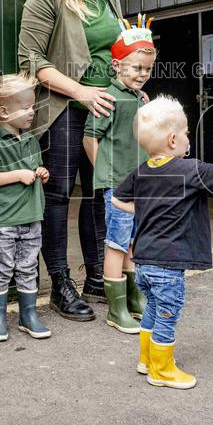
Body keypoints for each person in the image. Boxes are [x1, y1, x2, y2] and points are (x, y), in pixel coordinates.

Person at [18, 0, 125, 321]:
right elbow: (31, 61)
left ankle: (97, 275)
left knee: (102, 191)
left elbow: (114, 46)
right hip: (64, 107)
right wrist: (81, 91)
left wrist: (131, 81)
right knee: (59, 196)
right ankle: (60, 283)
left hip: (107, 106)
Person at [112, 96, 213, 389]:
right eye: (185, 133)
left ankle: (146, 360)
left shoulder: (141, 172)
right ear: (172, 140)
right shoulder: (189, 169)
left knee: (152, 310)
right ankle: (163, 371)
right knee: (167, 315)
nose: (187, 139)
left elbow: (117, 200)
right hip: (169, 266)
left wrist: (142, 209)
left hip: (143, 262)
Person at [83, 22, 156, 333]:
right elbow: (90, 137)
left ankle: (133, 298)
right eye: (136, 68)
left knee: (131, 241)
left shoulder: (140, 99)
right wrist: (105, 172)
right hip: (117, 184)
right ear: (116, 65)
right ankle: (116, 309)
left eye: (148, 70)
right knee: (115, 242)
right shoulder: (108, 98)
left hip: (139, 183)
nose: (142, 74)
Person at [0, 73, 51, 342]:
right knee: (3, 268)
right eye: (26, 107)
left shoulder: (30, 140)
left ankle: (28, 315)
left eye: (33, 105)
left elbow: (33, 171)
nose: (32, 111)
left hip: (31, 216)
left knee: (29, 267)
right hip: (4, 221)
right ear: (4, 111)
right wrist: (18, 174)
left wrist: (40, 172)